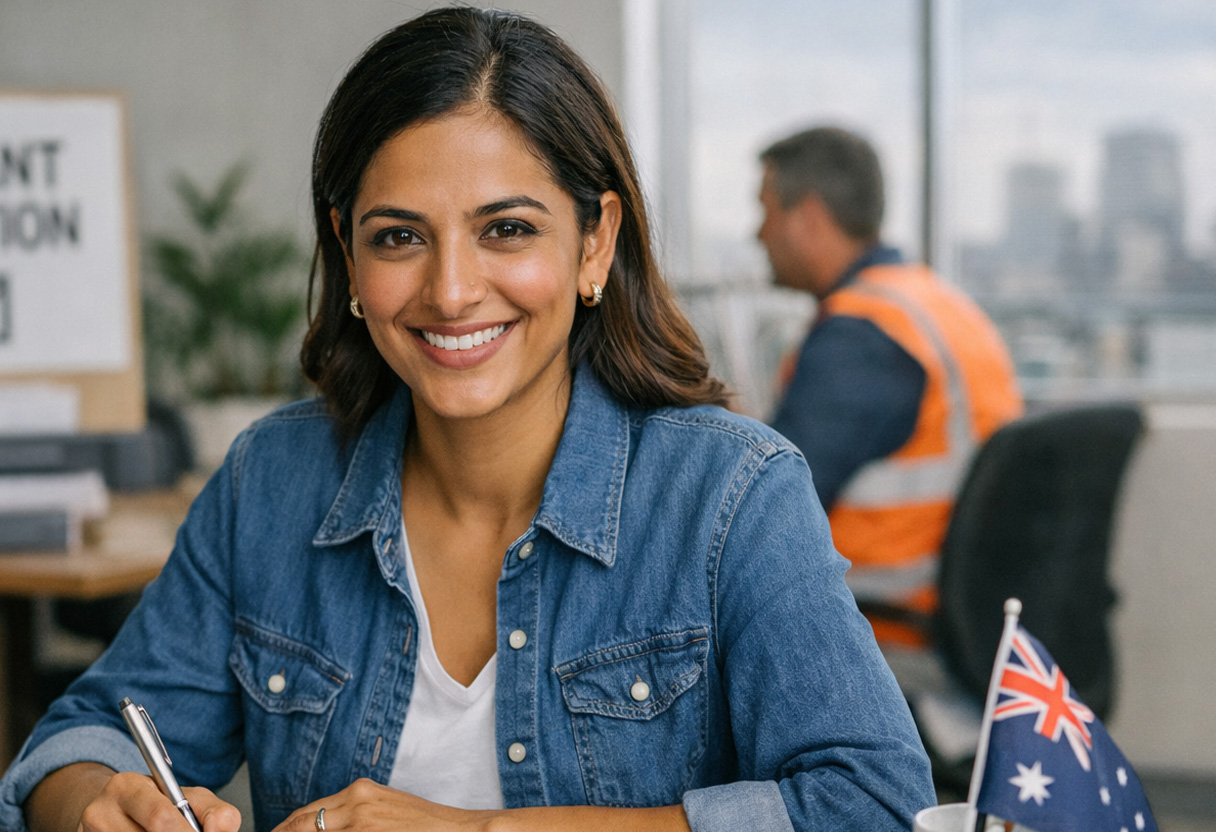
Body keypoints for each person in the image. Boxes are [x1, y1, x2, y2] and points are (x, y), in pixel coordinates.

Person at [0, 11, 934, 832]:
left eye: (508, 229)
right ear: (348, 256)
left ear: (595, 243)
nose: (450, 292)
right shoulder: (273, 481)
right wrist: (95, 803)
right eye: (399, 237)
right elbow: (77, 743)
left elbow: (875, 807)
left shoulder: (730, 495)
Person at [758, 126, 1023, 648]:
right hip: (968, 617)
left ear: (808, 218)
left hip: (884, 627)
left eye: (764, 211)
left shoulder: (860, 335)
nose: (757, 234)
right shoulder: (937, 304)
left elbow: (767, 508)